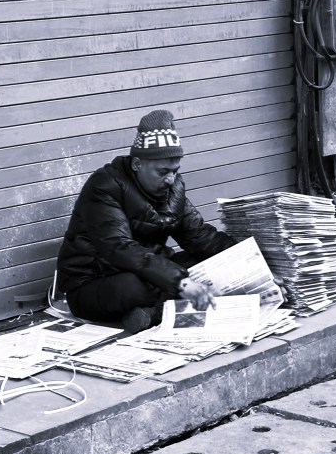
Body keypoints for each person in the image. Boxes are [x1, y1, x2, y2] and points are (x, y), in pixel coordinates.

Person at [56, 109, 238, 333]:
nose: (171, 179)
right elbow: (120, 248)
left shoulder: (173, 188)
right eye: (162, 172)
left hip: (149, 272)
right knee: (134, 286)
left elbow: (200, 236)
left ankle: (152, 314)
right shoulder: (104, 186)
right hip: (94, 282)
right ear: (137, 164)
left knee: (207, 265)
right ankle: (167, 307)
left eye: (175, 170)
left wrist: (256, 266)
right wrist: (182, 283)